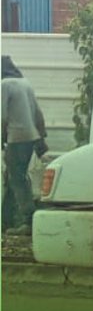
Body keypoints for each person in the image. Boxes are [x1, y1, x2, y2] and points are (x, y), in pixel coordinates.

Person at [2, 55, 48, 234]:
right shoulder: (25, 83)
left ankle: (28, 220)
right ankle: (7, 220)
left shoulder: (4, 85)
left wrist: (1, 138)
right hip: (30, 138)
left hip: (16, 138)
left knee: (17, 178)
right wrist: (41, 137)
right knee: (15, 176)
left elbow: (2, 117)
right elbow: (38, 112)